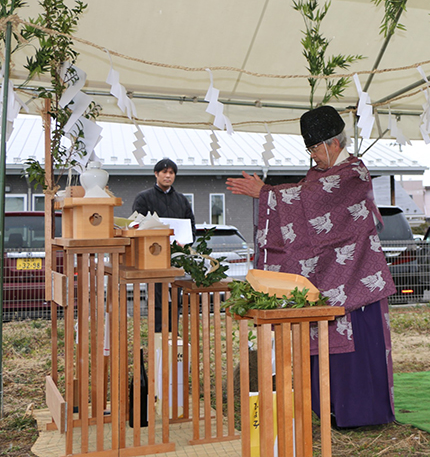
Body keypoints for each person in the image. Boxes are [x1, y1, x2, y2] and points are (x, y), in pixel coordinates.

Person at [226, 105, 395, 428]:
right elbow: (306, 208)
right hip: (330, 277)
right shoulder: (320, 174)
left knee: (359, 350)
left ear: (334, 143)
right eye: (310, 149)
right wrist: (270, 196)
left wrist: (265, 193)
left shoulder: (353, 173)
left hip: (358, 278)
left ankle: (364, 413)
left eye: (315, 148)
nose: (313, 156)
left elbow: (311, 199)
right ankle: (331, 409)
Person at [132, 158, 196, 333]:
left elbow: (191, 227)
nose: (168, 176)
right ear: (156, 174)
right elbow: (136, 225)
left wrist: (185, 242)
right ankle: (158, 336)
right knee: (156, 298)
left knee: (176, 297)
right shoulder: (144, 198)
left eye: (171, 173)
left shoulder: (182, 200)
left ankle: (173, 335)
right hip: (153, 257)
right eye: (164, 172)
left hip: (177, 257)